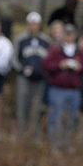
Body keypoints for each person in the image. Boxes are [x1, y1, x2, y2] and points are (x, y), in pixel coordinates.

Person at [42, 24, 83, 148]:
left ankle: (67, 143)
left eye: (71, 34)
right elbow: (46, 65)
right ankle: (54, 143)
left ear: (74, 36)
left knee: (71, 118)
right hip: (57, 89)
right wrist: (60, 64)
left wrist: (79, 67)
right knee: (55, 117)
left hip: (74, 90)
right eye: (66, 34)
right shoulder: (56, 49)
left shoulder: (80, 51)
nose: (68, 37)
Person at [13, 11, 50, 139]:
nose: (34, 26)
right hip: (24, 77)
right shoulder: (21, 38)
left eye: (36, 24)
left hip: (40, 79)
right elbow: (14, 58)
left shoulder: (45, 40)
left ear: (39, 25)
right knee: (22, 105)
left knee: (36, 107)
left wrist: (44, 71)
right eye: (31, 24)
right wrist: (22, 68)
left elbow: (48, 59)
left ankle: (34, 134)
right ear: (28, 25)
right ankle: (20, 132)